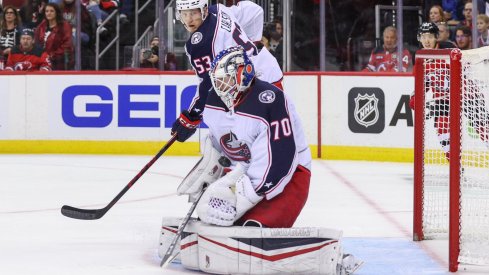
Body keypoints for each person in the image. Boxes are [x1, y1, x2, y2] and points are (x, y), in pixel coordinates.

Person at [170, 0, 283, 143]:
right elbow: (255, 11)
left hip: (250, 84)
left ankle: (239, 161)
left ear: (204, 10)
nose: (189, 19)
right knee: (272, 131)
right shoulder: (219, 10)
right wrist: (250, 46)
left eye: (193, 12)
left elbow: (208, 84)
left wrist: (191, 117)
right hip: (267, 69)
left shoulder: (199, 44)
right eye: (184, 13)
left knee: (215, 117)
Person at [410, 22, 488, 160]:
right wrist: (416, 95)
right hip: (443, 98)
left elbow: (465, 69)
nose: (426, 41)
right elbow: (424, 83)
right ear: (419, 38)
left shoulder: (449, 49)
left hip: (466, 93)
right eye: (423, 37)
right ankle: (455, 165)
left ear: (436, 37)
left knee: (484, 129)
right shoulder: (419, 58)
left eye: (430, 36)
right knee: (442, 128)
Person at [34, 3, 73, 70]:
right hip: (42, 59)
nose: (49, 13)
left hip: (59, 61)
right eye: (47, 11)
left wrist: (52, 55)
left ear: (56, 13)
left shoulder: (64, 26)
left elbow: (67, 45)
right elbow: (37, 42)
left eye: (51, 11)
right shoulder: (42, 26)